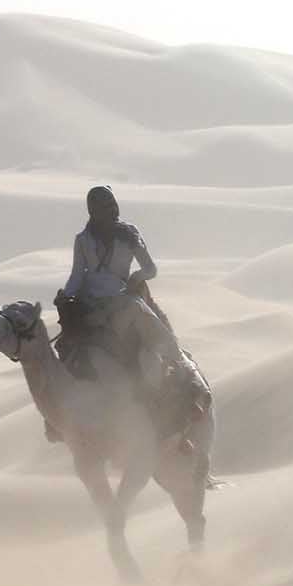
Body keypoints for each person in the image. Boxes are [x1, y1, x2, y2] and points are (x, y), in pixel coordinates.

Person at [54, 185, 207, 438]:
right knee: (65, 349)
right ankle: (60, 417)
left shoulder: (129, 234)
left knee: (151, 325)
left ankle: (180, 373)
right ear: (93, 210)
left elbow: (150, 269)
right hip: (89, 303)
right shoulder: (83, 240)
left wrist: (137, 277)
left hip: (121, 298)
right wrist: (66, 295)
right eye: (105, 206)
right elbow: (77, 275)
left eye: (113, 204)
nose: (112, 210)